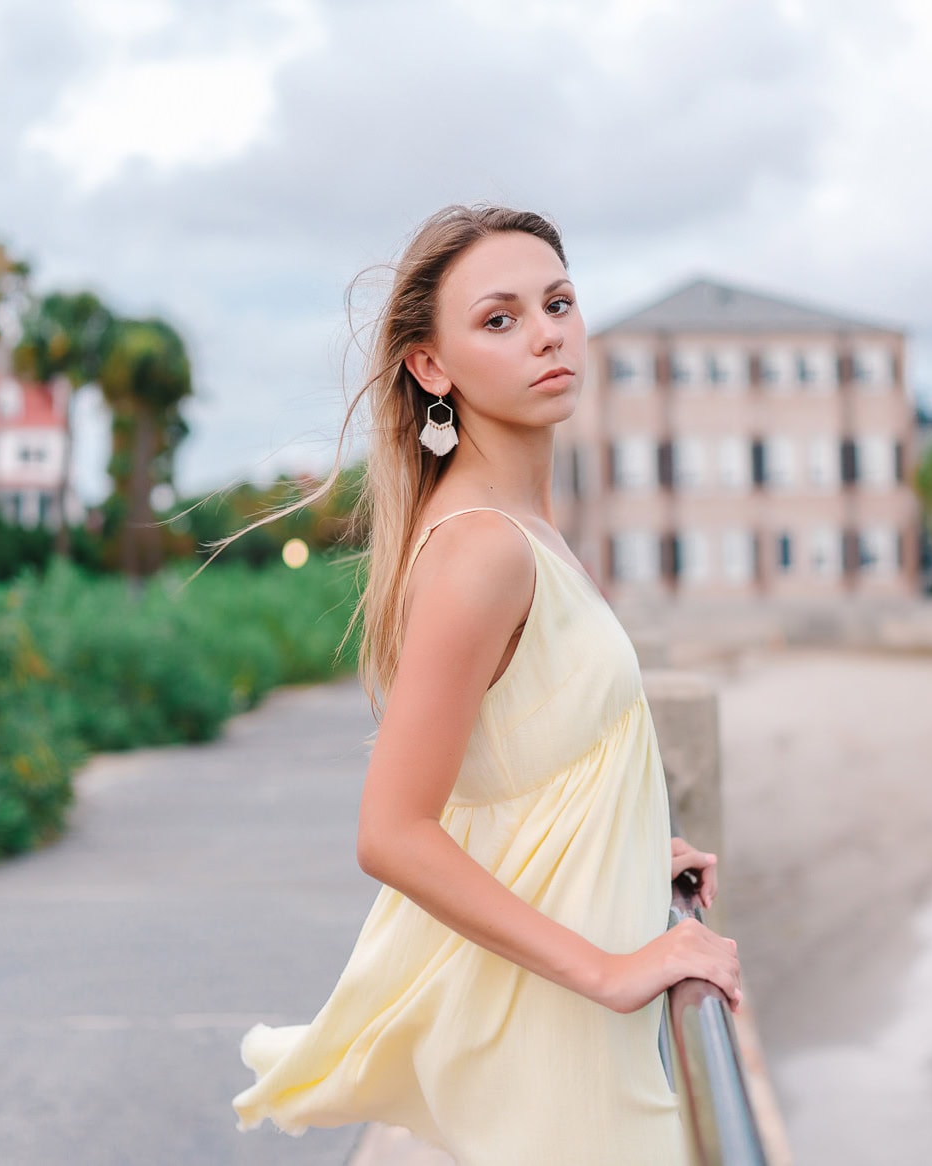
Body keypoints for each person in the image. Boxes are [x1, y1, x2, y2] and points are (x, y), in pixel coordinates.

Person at [230, 204, 742, 1165]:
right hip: (557, 1040)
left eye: (558, 302)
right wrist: (615, 966)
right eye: (499, 319)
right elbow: (392, 832)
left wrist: (631, 847)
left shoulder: (523, 525)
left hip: (571, 1028)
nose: (548, 333)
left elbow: (509, 770)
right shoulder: (482, 551)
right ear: (433, 366)